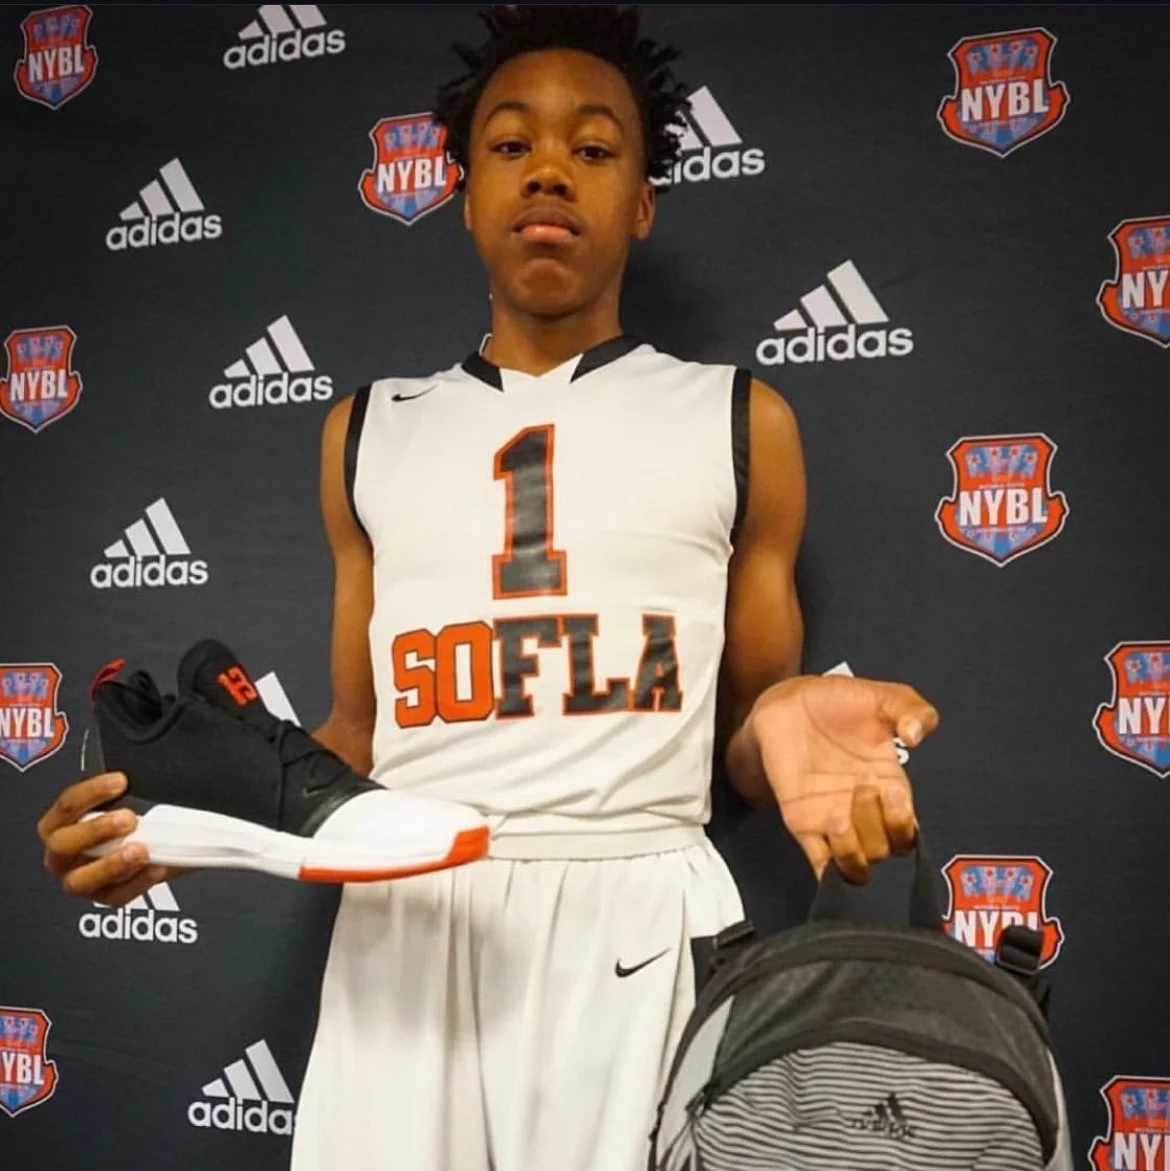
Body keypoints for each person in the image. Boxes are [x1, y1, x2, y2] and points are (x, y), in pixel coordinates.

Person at [36, 7, 939, 1170]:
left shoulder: (741, 418)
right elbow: (357, 735)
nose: (551, 167)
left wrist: (785, 722)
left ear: (644, 200)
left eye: (596, 148)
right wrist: (173, 825)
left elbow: (747, 740)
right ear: (463, 194)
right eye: (511, 145)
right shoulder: (364, 431)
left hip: (642, 919)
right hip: (413, 914)